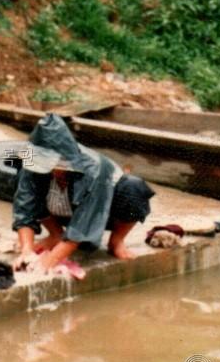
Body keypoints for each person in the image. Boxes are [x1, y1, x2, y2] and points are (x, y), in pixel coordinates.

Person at [12, 114, 155, 273]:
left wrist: (49, 261)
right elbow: (25, 207)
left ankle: (116, 242)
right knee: (21, 180)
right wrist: (27, 251)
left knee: (133, 188)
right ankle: (56, 234)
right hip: (62, 208)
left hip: (102, 213)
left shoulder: (95, 170)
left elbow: (85, 222)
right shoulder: (32, 161)